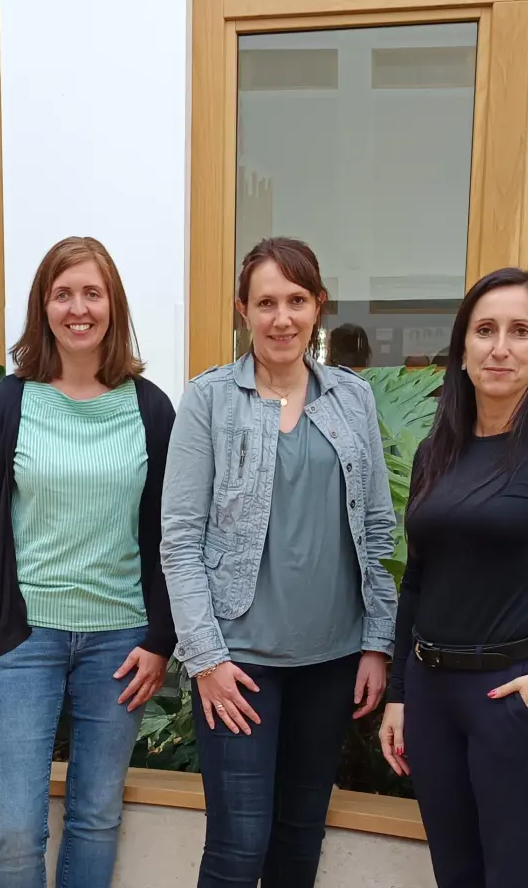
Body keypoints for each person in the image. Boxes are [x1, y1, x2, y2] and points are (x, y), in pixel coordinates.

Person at [161, 236, 396, 886]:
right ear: (243, 310)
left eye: (297, 300)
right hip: (239, 665)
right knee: (239, 846)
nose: (282, 317)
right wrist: (206, 659)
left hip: (330, 663)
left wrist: (376, 644)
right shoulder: (210, 401)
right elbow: (178, 540)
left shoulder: (353, 399)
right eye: (266, 302)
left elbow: (378, 527)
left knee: (298, 844)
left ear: (318, 306)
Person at [376, 268, 528, 888]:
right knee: (455, 876)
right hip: (433, 700)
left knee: (520, 878)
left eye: (520, 332)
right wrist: (400, 694)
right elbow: (418, 583)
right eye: (485, 330)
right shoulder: (440, 450)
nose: (500, 347)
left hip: (518, 695)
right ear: (461, 349)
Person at [0, 236, 176, 888]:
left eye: (92, 293)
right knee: (15, 829)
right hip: (21, 640)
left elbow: (167, 533)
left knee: (96, 818)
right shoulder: (9, 404)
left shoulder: (149, 409)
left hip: (121, 643)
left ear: (113, 305)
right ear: (43, 306)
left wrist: (161, 638)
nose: (79, 308)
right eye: (63, 293)